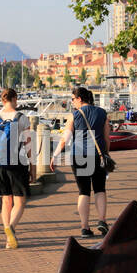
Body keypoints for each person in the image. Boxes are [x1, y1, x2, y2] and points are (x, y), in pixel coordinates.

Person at [50, 86, 110, 238]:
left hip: (80, 156)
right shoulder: (102, 113)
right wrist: (106, 154)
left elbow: (65, 140)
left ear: (80, 99)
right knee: (100, 189)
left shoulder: (74, 116)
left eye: (73, 99)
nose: (72, 102)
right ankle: (102, 221)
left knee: (84, 191)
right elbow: (106, 138)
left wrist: (55, 155)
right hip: (98, 156)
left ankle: (85, 228)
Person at [0, 87, 35, 249]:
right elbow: (29, 145)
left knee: (6, 200)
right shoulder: (22, 118)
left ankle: (8, 240)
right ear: (14, 99)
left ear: (2, 100)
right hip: (17, 163)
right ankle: (11, 228)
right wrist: (32, 168)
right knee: (20, 201)